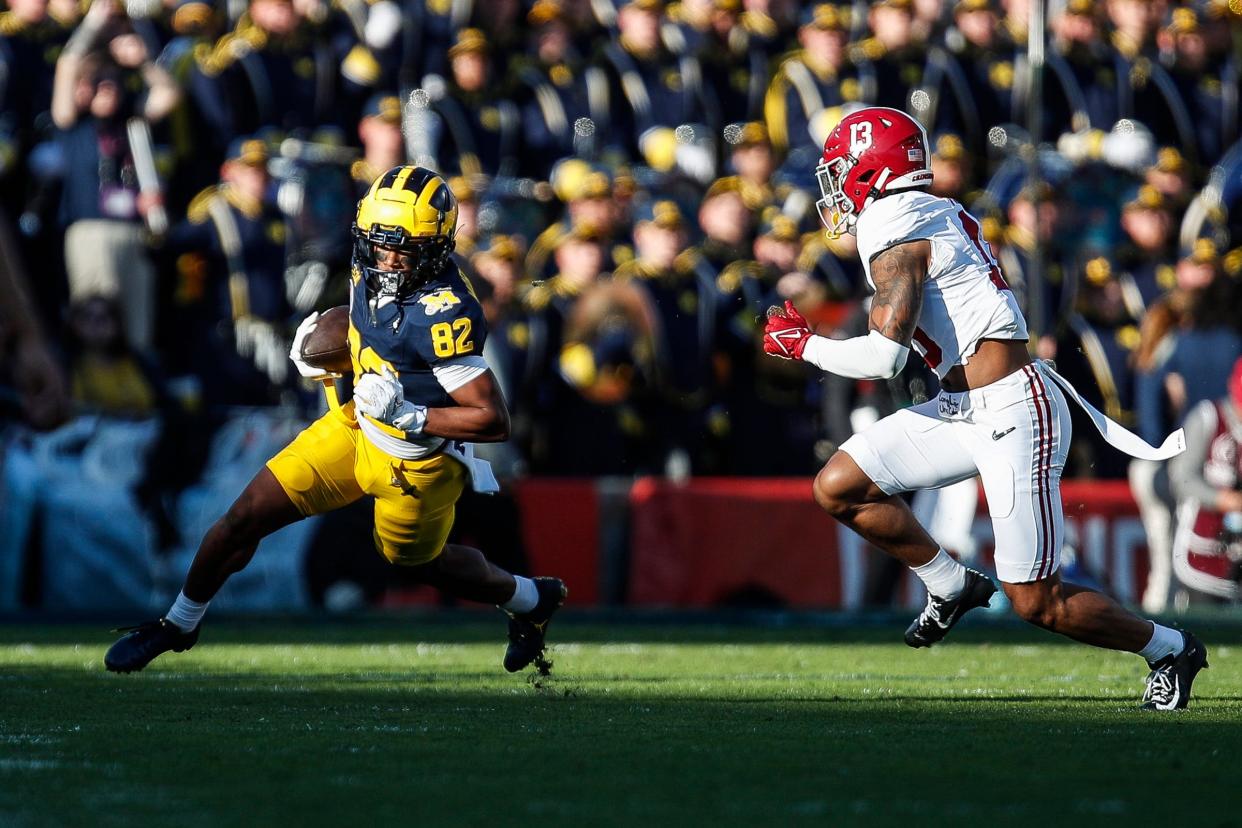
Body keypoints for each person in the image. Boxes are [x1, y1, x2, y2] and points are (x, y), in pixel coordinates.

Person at [761, 106, 1206, 710]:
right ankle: (950, 583)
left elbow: (885, 360)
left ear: (872, 169)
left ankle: (1169, 646)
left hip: (1013, 409)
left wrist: (803, 344)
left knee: (1035, 601)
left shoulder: (896, 221)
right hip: (960, 404)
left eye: (842, 171)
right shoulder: (924, 209)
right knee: (840, 484)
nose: (836, 187)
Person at [105, 165, 567, 674]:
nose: (386, 258)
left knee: (423, 563)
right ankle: (179, 623)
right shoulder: (367, 261)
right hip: (354, 427)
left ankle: (530, 599)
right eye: (378, 242)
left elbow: (491, 419)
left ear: (435, 246)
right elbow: (368, 327)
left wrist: (411, 414)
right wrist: (326, 347)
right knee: (244, 517)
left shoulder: (444, 311)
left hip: (416, 466)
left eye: (402, 247)